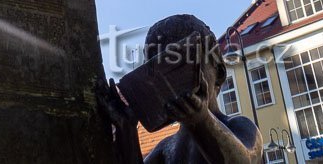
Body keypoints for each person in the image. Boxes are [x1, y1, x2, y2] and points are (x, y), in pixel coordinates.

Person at [96, 14, 263, 164]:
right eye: (161, 70)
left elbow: (242, 160)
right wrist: (126, 130)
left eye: (188, 63)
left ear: (218, 72)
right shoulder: (166, 149)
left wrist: (201, 120)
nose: (175, 79)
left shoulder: (241, 126)